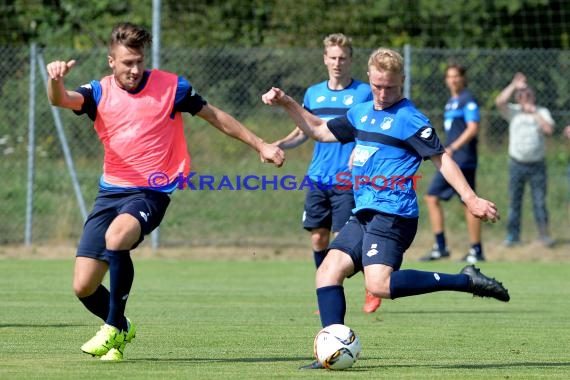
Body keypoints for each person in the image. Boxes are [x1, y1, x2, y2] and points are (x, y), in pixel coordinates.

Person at [46, 22, 284, 361]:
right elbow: (61, 100)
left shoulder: (171, 87)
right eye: (127, 62)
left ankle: (113, 327)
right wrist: (55, 79)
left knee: (117, 238)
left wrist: (260, 144)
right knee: (83, 286)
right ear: (111, 61)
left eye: (139, 61)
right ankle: (123, 327)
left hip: (151, 192)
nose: (134, 69)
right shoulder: (98, 92)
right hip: (109, 192)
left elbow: (215, 116)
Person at [262, 47, 510, 370]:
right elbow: (319, 131)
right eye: (377, 86)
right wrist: (287, 103)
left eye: (390, 87)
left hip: (394, 214)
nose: (382, 93)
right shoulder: (361, 112)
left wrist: (471, 198)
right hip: (364, 212)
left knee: (378, 285)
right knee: (327, 271)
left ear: (402, 82)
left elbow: (442, 158)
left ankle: (465, 280)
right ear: (369, 78)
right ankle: (330, 350)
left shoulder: (410, 118)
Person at [272, 33, 381, 314]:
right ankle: (326, 287)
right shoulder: (313, 93)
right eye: (332, 57)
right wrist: (279, 144)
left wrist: (362, 150)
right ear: (324, 59)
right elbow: (303, 131)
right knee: (318, 239)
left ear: (350, 60)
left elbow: (372, 129)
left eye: (342, 58)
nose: (337, 63)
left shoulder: (363, 94)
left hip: (348, 181)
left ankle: (371, 285)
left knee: (345, 239)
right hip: (319, 178)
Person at [421, 63, 484, 263]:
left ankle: (467, 249)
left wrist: (453, 147)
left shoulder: (468, 100)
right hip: (452, 160)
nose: (453, 80)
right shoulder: (451, 102)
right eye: (449, 76)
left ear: (463, 78)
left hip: (462, 159)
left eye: (456, 76)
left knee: (458, 200)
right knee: (438, 199)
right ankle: (465, 248)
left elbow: (473, 128)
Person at [495, 72, 555, 247]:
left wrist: (534, 112)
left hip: (537, 165)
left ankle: (544, 236)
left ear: (533, 97)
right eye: (522, 96)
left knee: (539, 201)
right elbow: (499, 102)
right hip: (517, 163)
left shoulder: (542, 111)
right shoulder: (513, 112)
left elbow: (549, 129)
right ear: (518, 98)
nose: (525, 98)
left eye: (528, 95)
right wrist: (514, 85)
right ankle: (513, 237)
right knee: (514, 201)